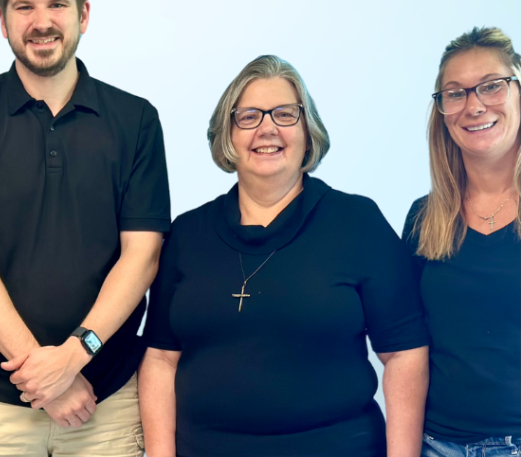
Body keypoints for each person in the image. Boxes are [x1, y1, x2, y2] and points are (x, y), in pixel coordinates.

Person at [0, 0, 169, 457]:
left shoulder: (135, 120)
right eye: (24, 8)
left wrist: (75, 356)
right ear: (2, 20)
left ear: (83, 14)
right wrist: (47, 374)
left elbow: (143, 255)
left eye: (57, 5)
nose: (42, 22)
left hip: (106, 397)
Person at [140, 54, 430, 457]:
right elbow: (160, 358)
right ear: (227, 135)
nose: (267, 128)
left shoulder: (357, 222)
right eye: (249, 116)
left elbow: (403, 353)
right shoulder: (187, 234)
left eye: (284, 114)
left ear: (308, 132)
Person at [404, 27, 520, 457]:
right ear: (442, 111)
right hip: (437, 446)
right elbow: (407, 351)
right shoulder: (423, 219)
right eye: (455, 93)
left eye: (492, 86)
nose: (474, 106)